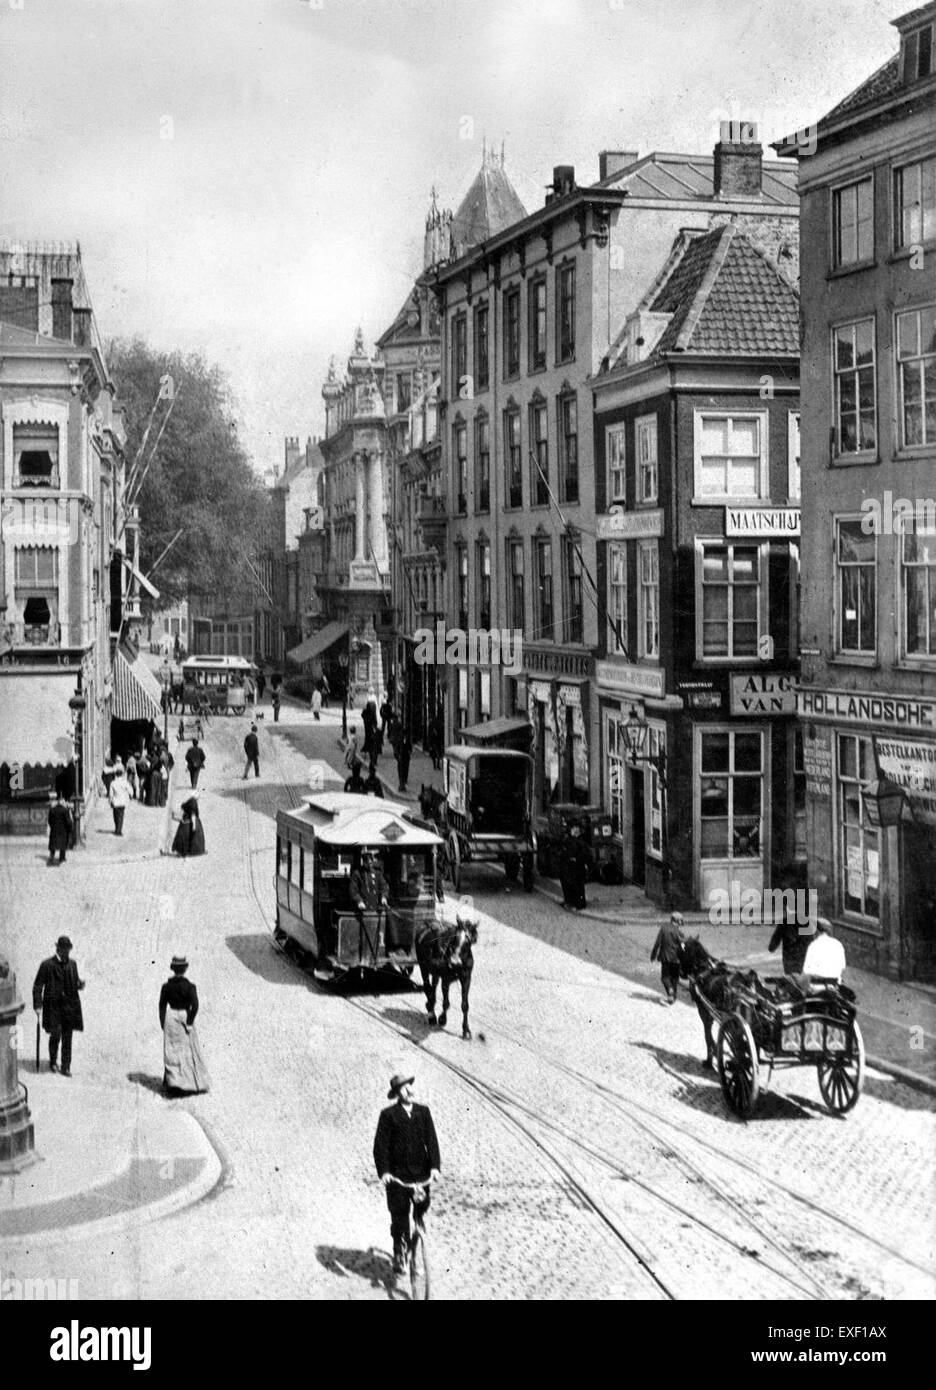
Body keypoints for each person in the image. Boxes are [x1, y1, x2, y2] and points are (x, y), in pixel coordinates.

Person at [373, 1074, 441, 1276]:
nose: (410, 1091)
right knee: (400, 1217)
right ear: (397, 1094)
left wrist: (435, 1167)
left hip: (421, 1175)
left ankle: (416, 1253)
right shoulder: (388, 1115)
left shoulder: (423, 1112)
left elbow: (432, 1141)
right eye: (404, 1089)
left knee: (420, 1212)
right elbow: (380, 1147)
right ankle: (398, 1251)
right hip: (398, 1178)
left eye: (410, 1087)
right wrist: (384, 1172)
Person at [32, 935, 85, 1076]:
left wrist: (79, 984)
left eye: (69, 950)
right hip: (53, 1008)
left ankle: (66, 1066)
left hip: (69, 1007)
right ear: (58, 949)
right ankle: (53, 1061)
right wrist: (38, 1005)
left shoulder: (72, 964)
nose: (67, 952)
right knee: (55, 1034)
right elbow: (38, 985)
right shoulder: (47, 965)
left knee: (68, 1037)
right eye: (64, 950)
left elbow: (75, 981)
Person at [159, 955, 210, 1095]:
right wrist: (189, 1021)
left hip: (171, 1018)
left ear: (173, 969)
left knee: (172, 1051)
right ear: (185, 969)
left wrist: (163, 1022)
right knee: (188, 1050)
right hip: (184, 1017)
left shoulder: (166, 987)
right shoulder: (190, 986)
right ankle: (189, 1084)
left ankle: (174, 1083)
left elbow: (162, 1005)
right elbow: (195, 1005)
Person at [650, 912, 686, 1004]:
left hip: (665, 957)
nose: (680, 924)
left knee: (665, 977)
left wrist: (653, 956)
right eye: (680, 922)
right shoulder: (680, 933)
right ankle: (673, 998)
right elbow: (683, 948)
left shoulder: (663, 929)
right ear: (677, 921)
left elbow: (657, 943)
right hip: (677, 959)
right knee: (674, 978)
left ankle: (670, 991)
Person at [557, 824, 592, 910]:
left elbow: (585, 854)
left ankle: (579, 904)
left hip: (577, 866)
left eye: (575, 829)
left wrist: (575, 859)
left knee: (577, 885)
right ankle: (569, 901)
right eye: (572, 829)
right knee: (568, 884)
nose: (573, 830)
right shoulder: (570, 839)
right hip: (569, 866)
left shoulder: (581, 841)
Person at [802, 918, 846, 983]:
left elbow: (806, 970)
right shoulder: (838, 944)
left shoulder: (813, 945)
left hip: (816, 985)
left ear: (816, 931)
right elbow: (842, 967)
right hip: (834, 985)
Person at [350, 850, 388, 922]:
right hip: (362, 908)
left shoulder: (377, 873)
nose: (370, 865)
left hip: (376, 907)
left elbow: (384, 886)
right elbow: (353, 890)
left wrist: (384, 897)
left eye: (371, 863)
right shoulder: (357, 874)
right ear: (364, 863)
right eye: (367, 863)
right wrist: (359, 901)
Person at [47, 791, 73, 866]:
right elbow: (68, 821)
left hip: (54, 830)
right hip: (63, 830)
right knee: (63, 844)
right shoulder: (65, 810)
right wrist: (70, 828)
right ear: (63, 802)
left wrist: (52, 826)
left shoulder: (52, 809)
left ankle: (51, 857)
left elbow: (49, 820)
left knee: (53, 844)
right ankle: (62, 858)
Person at [109, 761, 130, 836]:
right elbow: (131, 791)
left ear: (115, 775)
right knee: (121, 816)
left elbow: (110, 794)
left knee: (115, 816)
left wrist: (110, 801)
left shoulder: (113, 783)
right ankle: (119, 830)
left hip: (115, 801)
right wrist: (129, 795)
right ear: (122, 774)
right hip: (123, 801)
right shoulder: (125, 782)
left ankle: (117, 829)